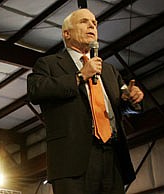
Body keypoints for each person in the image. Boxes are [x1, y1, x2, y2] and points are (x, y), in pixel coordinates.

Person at [27, 9, 144, 194]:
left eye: (95, 23)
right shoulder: (48, 64)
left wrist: (131, 99)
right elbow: (36, 90)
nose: (92, 25)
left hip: (113, 156)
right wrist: (80, 76)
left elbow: (126, 106)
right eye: (84, 21)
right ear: (67, 33)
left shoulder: (109, 70)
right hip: (72, 160)